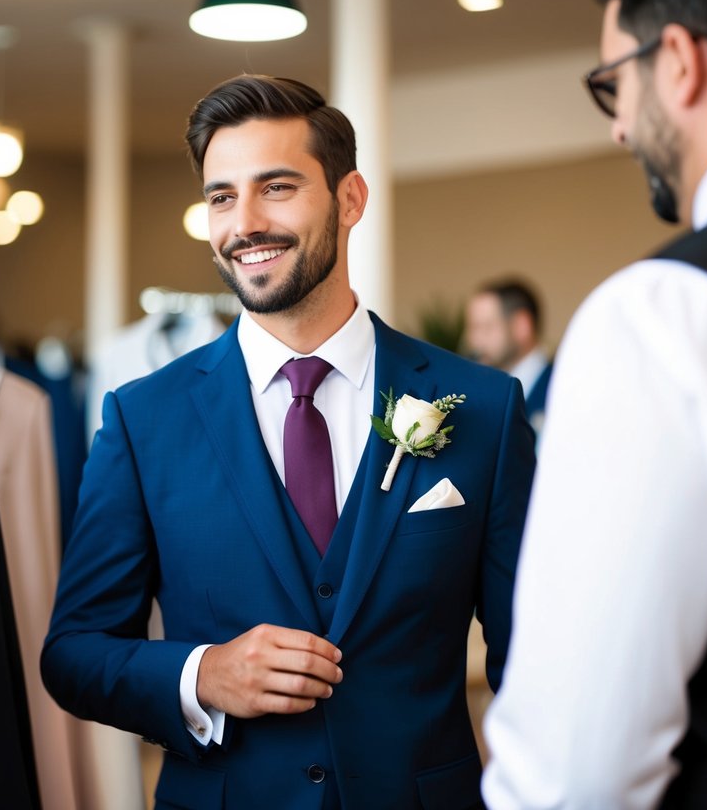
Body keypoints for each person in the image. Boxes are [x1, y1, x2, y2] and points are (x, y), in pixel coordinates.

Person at [42, 74, 536, 809]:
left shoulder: (484, 409)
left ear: (349, 200)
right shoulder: (144, 418)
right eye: (220, 196)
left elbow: (531, 655)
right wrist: (200, 675)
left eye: (275, 187)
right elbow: (74, 652)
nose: (243, 223)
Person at [482, 0, 707, 807]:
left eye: (613, 83)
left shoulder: (665, 314)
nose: (620, 124)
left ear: (676, 60)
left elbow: (575, 774)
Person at [465, 279, 552, 434]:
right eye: (472, 328)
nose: (474, 341)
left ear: (521, 326)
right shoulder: (476, 394)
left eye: (486, 327)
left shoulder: (561, 385)